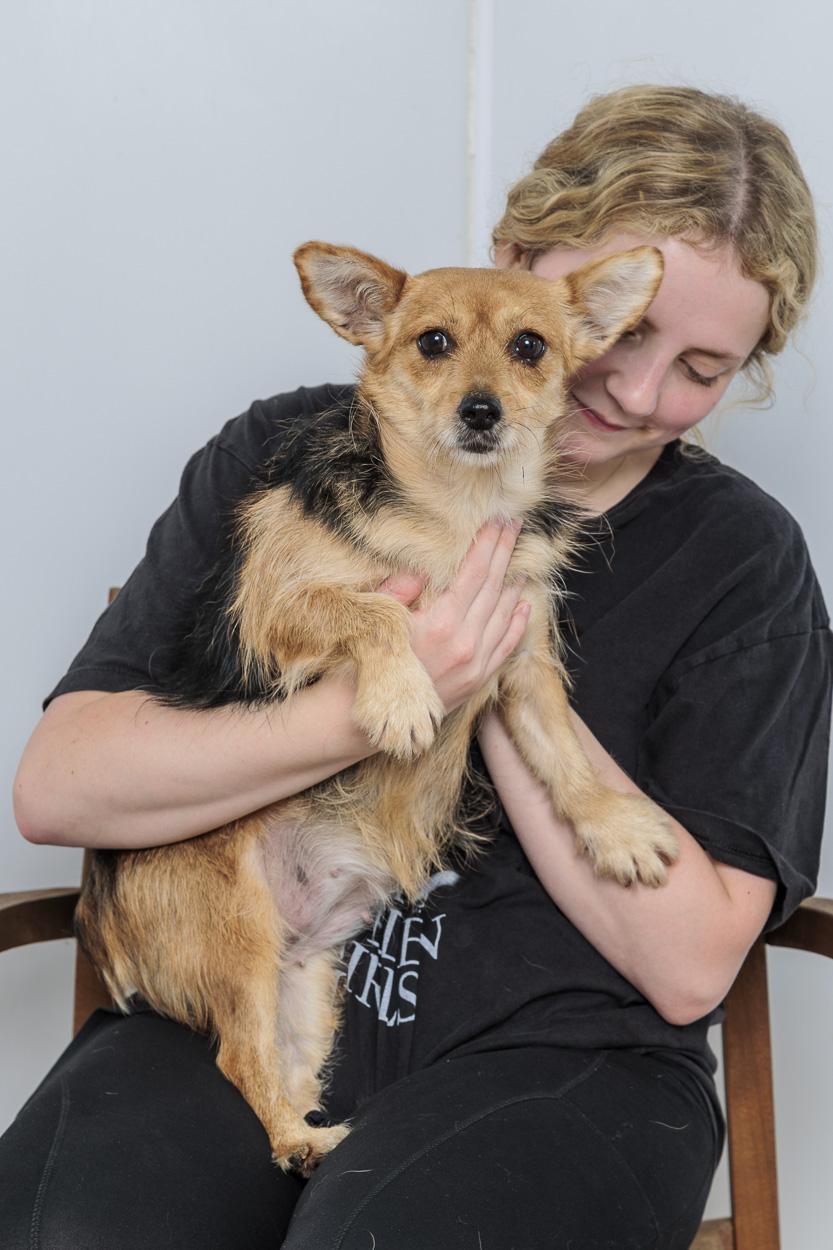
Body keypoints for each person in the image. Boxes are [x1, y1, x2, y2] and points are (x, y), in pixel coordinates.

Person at [5, 84, 832, 1249]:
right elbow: (56, 788)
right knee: (72, 1228)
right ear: (510, 257)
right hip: (233, 1009)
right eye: (632, 329)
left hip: (562, 1061)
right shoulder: (281, 459)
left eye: (700, 366)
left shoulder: (741, 563)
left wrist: (484, 662)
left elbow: (693, 963)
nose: (637, 392)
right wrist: (368, 695)